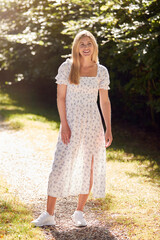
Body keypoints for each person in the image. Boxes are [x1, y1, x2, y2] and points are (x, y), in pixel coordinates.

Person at [31, 30, 112, 227]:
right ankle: (49, 214)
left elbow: (104, 100)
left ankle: (79, 212)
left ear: (94, 47)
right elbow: (61, 98)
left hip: (93, 123)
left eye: (89, 43)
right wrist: (65, 125)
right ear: (76, 47)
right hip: (71, 122)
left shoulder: (101, 70)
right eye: (82, 44)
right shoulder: (67, 67)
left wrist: (108, 128)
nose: (85, 47)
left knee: (88, 167)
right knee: (59, 164)